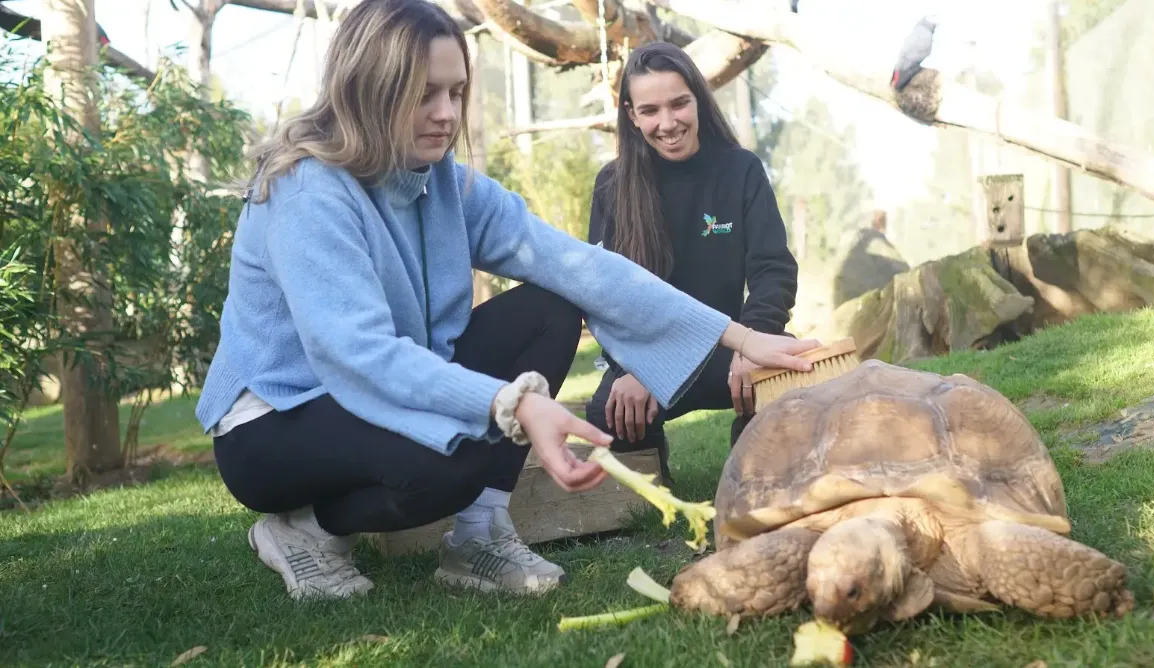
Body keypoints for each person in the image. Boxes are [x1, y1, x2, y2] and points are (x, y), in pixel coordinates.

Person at [194, 0, 819, 603]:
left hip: (383, 386)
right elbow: (356, 353)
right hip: (279, 421)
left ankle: (479, 534)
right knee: (451, 459)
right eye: (424, 94)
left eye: (456, 91)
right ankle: (303, 531)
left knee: (551, 305)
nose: (446, 113)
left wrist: (741, 337)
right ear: (371, 88)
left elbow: (583, 268)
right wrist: (508, 402)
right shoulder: (308, 189)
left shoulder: (445, 183)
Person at [583, 41, 798, 483]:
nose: (668, 123)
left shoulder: (741, 171)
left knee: (792, 383)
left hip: (733, 352)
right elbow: (603, 297)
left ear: (698, 98)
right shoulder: (612, 186)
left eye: (679, 103)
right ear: (631, 115)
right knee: (609, 415)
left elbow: (773, 269)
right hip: (652, 361)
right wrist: (631, 368)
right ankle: (648, 452)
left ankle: (751, 451)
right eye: (650, 111)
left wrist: (755, 342)